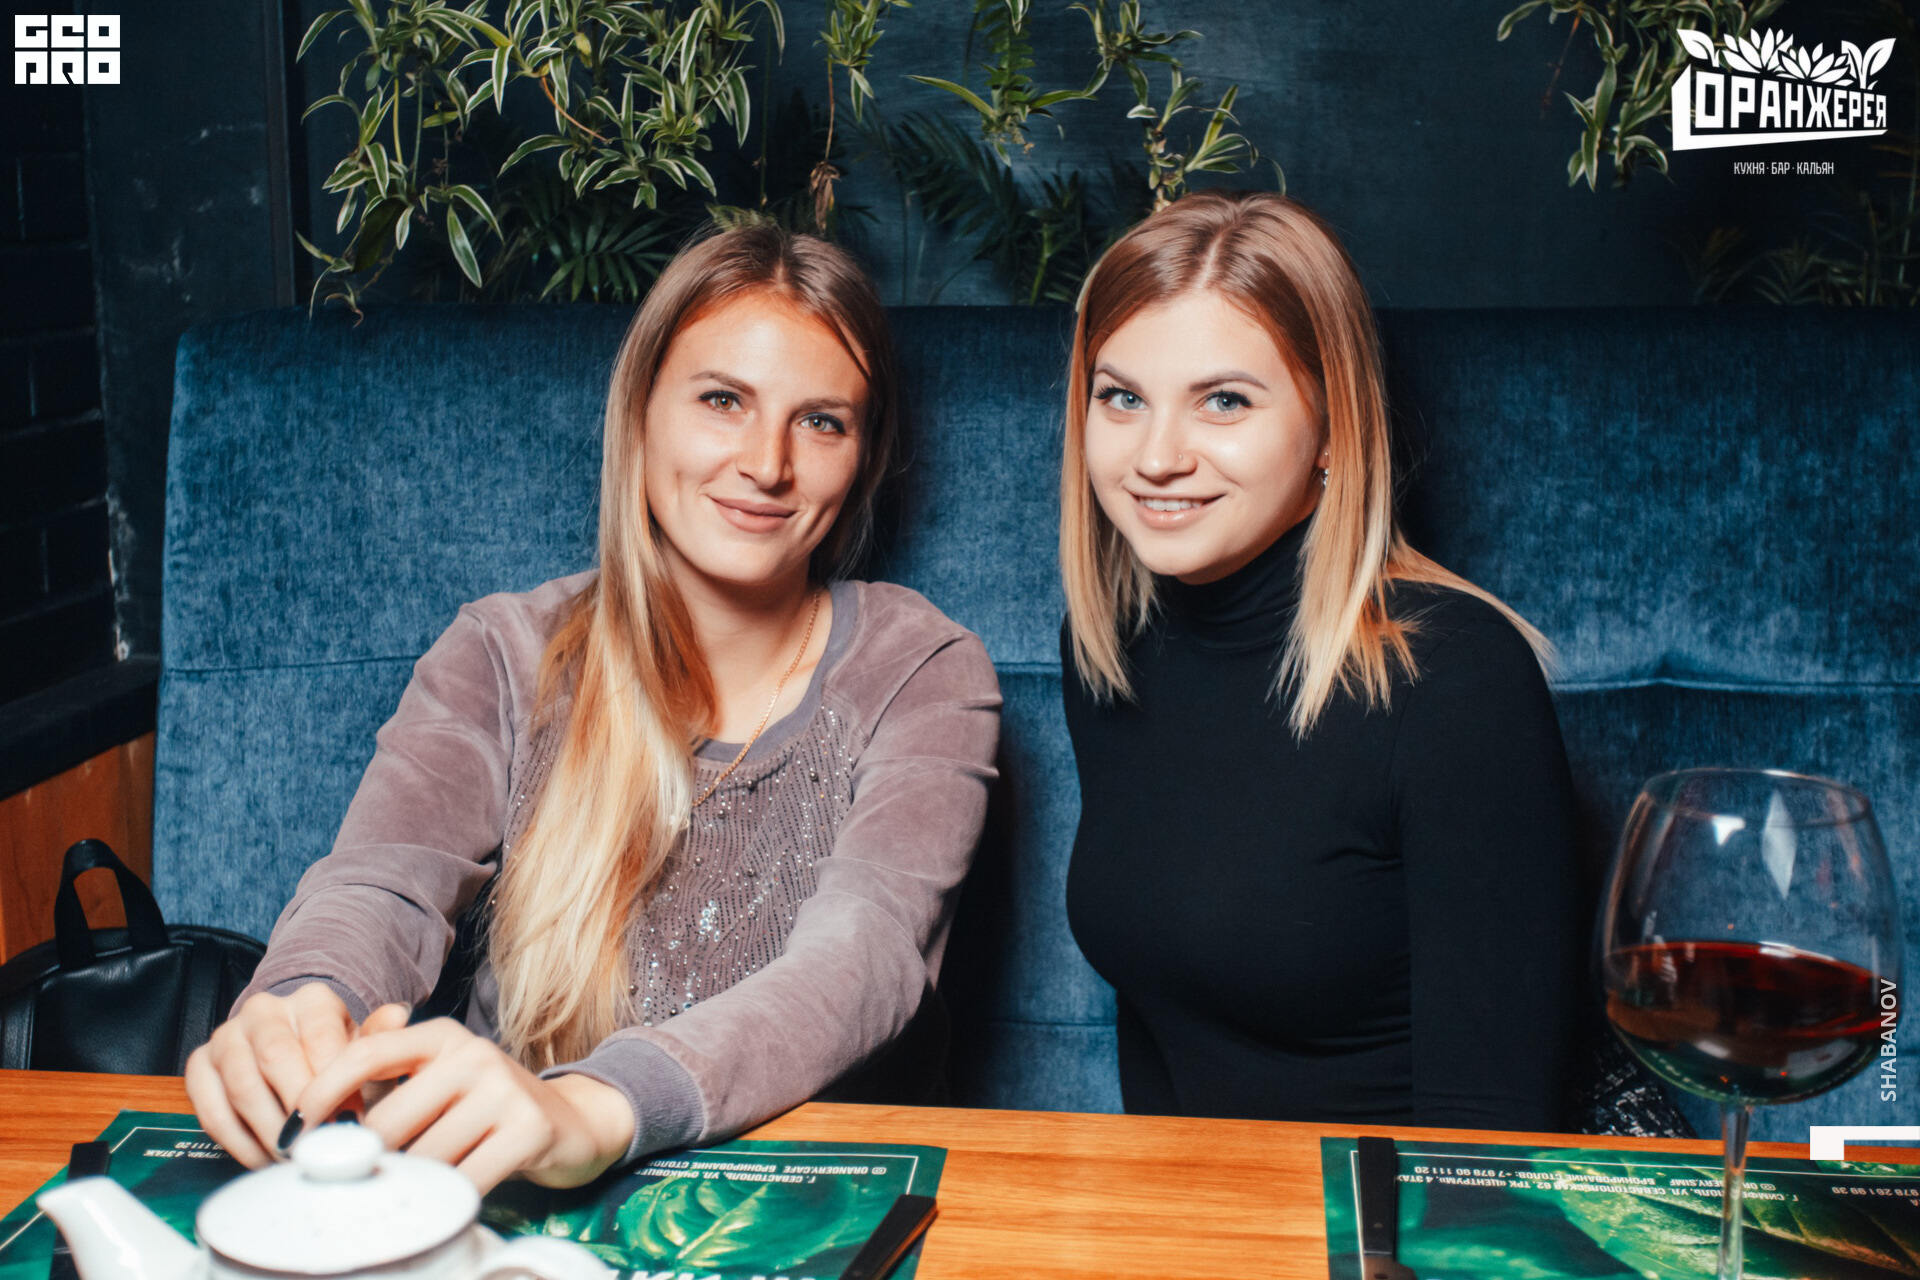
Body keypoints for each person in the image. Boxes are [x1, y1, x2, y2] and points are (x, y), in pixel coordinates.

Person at [185, 223, 1002, 1191]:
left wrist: (592, 1106)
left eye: (822, 421)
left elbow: (862, 955)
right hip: (514, 1198)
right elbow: (381, 881)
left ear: (863, 456)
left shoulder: (921, 668)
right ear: (640, 413)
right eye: (722, 400)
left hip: (806, 1198)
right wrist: (302, 999)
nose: (767, 463)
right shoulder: (502, 649)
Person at [1058, 190, 1580, 1130]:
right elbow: (1169, 1024)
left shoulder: (1457, 682)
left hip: (1413, 1210)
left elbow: (1489, 1143)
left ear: (1334, 427)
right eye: (1122, 398)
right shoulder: (1109, 646)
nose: (1156, 457)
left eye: (1224, 401)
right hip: (1210, 1203)